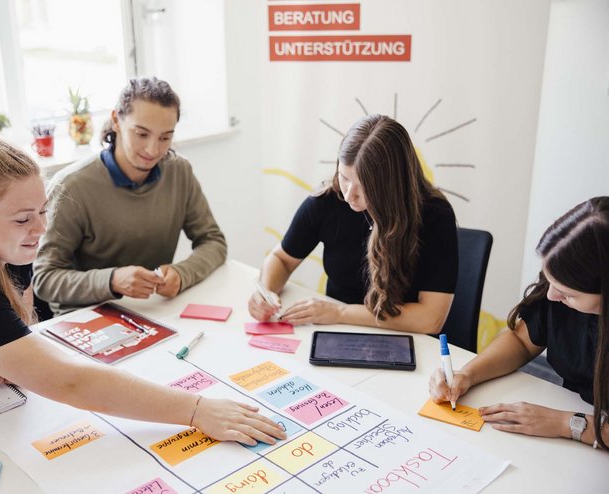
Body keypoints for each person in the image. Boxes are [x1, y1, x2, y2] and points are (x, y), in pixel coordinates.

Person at [0, 136, 284, 446]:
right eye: (22, 219)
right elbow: (70, 382)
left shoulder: (8, 244)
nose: (41, 229)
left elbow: (23, 317)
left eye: (43, 211)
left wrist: (6, 347)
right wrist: (197, 409)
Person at [34, 77, 226, 316]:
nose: (153, 150)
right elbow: (44, 279)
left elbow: (213, 242)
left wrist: (182, 273)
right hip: (86, 317)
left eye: (165, 137)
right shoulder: (71, 187)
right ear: (116, 120)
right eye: (141, 134)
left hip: (153, 310)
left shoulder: (179, 171)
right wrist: (111, 281)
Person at [248, 114, 458, 334]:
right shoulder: (328, 200)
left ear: (393, 185)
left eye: (363, 186)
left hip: (405, 337)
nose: (349, 195)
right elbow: (282, 259)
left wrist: (341, 313)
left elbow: (430, 319)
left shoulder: (435, 215)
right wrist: (266, 291)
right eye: (344, 178)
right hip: (335, 331)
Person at [429, 197, 608, 449]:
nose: (551, 297)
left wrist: (565, 424)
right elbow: (522, 341)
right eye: (549, 281)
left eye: (567, 293)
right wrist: (468, 374)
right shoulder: (558, 289)